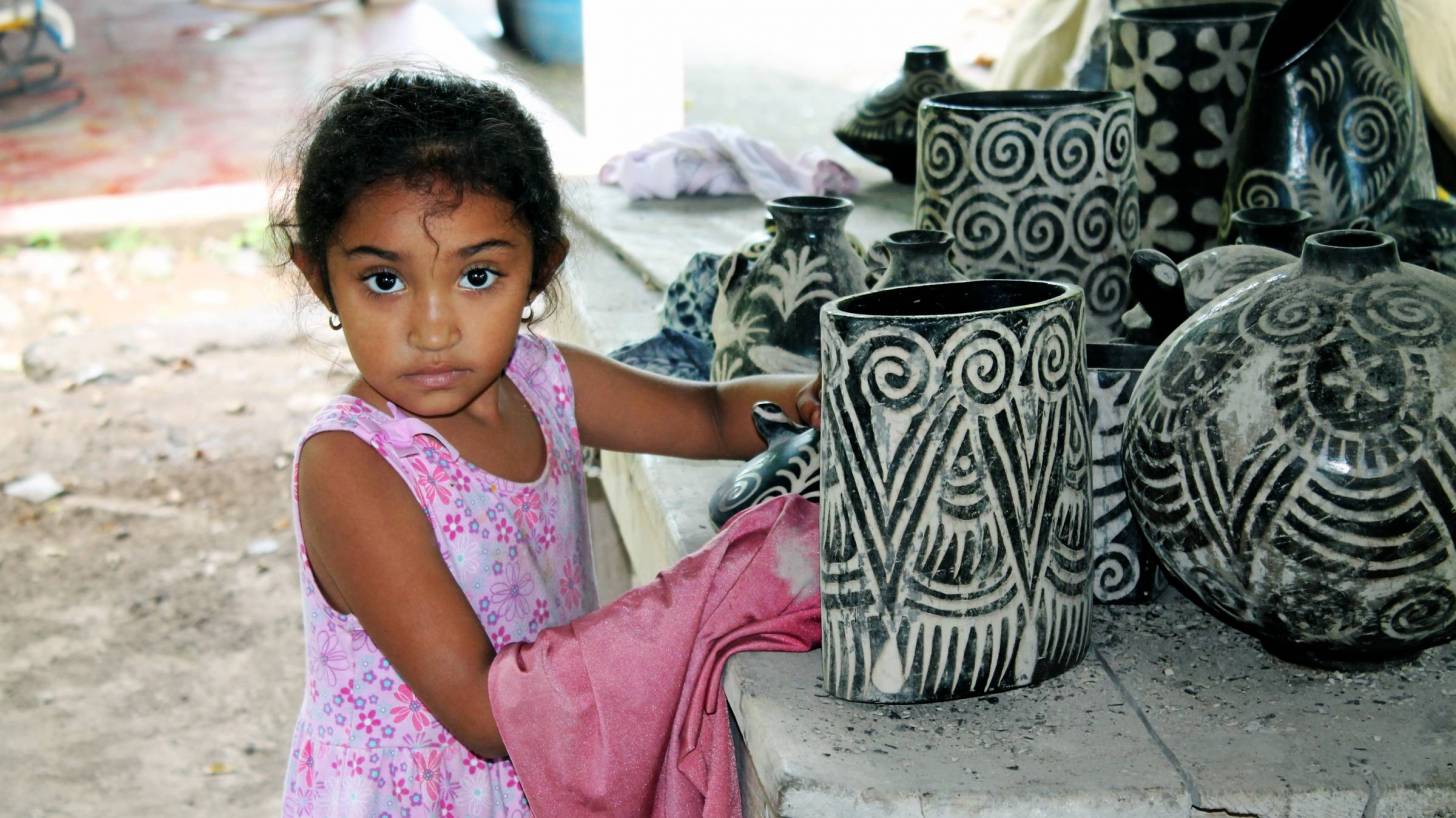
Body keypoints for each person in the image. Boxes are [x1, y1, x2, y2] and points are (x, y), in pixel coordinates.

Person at [271, 69, 822, 817]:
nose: (434, 330)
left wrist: (817, 397)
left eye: (478, 275)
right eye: (384, 281)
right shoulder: (352, 465)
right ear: (319, 278)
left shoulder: (544, 381)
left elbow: (713, 418)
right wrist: (700, 598)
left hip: (538, 776)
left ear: (540, 269)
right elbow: (482, 713)